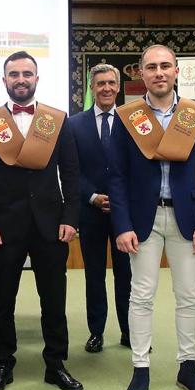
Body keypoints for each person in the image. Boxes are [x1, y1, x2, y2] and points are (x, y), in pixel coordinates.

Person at [109, 44, 195, 390]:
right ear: (142, 74)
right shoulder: (128, 117)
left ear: (176, 72)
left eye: (165, 66)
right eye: (151, 67)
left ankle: (188, 366)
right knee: (141, 295)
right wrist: (121, 225)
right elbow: (117, 177)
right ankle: (141, 368)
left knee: (189, 296)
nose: (159, 72)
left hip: (187, 219)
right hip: (144, 219)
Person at [0, 51, 83, 390]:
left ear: (37, 79)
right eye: (14, 74)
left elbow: (72, 173)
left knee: (53, 299)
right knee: (1, 300)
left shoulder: (57, 119)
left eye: (27, 74)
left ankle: (56, 364)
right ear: (4, 81)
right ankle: (3, 363)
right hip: (4, 227)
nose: (21, 79)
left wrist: (70, 218)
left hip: (50, 225)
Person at [69, 64, 131, 353]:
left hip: (125, 214)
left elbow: (139, 168)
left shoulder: (133, 122)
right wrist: (91, 196)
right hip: (90, 211)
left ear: (118, 87)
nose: (106, 88)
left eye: (111, 83)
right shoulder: (74, 124)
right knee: (94, 275)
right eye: (100, 84)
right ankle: (96, 332)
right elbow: (71, 171)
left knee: (127, 275)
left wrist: (122, 198)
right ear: (91, 89)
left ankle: (130, 331)